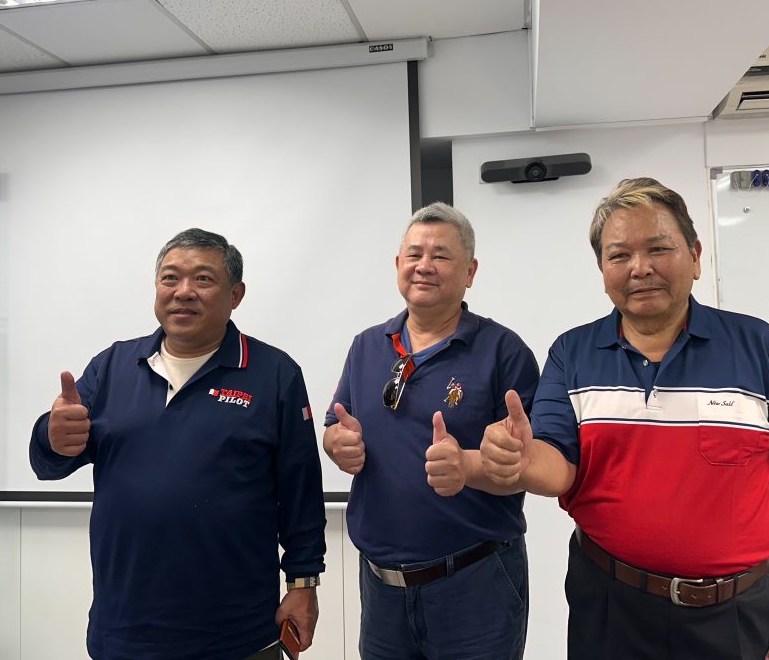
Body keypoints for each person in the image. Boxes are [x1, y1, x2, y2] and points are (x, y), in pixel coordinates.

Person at [480, 178, 769, 660]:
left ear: (695, 256)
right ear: (602, 269)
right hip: (609, 606)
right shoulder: (572, 352)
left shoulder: (755, 346)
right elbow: (558, 466)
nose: (640, 268)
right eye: (619, 255)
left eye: (658, 248)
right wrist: (523, 460)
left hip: (737, 614)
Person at [29, 228, 325, 660]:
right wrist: (51, 436)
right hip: (125, 629)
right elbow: (49, 463)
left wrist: (303, 584)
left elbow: (302, 493)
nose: (183, 291)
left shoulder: (275, 373)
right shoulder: (112, 366)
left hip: (237, 633)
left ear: (236, 295)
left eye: (203, 279)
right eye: (170, 278)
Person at [323, 202, 540, 660]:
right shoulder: (367, 346)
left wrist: (469, 466)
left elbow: (528, 464)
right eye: (414, 254)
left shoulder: (504, 352)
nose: (424, 265)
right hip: (381, 589)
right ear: (398, 265)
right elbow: (334, 426)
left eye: (441, 255)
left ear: (470, 272)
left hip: (474, 584)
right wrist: (337, 445)